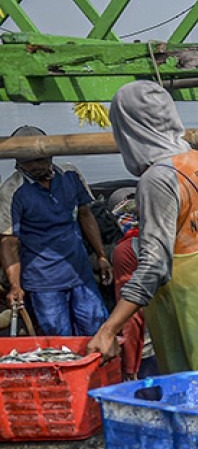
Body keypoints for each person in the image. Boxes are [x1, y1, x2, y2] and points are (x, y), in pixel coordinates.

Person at [88, 81, 198, 373]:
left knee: (193, 398)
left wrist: (109, 328)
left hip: (187, 310)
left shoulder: (158, 179)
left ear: (129, 128)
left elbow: (154, 266)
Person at [0, 126, 111, 337]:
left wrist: (102, 256)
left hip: (79, 271)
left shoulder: (70, 174)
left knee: (95, 328)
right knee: (58, 337)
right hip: (43, 281)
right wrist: (15, 285)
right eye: (32, 162)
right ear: (19, 163)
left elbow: (86, 215)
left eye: (43, 160)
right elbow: (9, 243)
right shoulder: (12, 190)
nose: (39, 166)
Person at [101, 187, 148, 378]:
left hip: (148, 348)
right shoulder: (172, 239)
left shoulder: (126, 250)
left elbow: (131, 315)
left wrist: (129, 368)